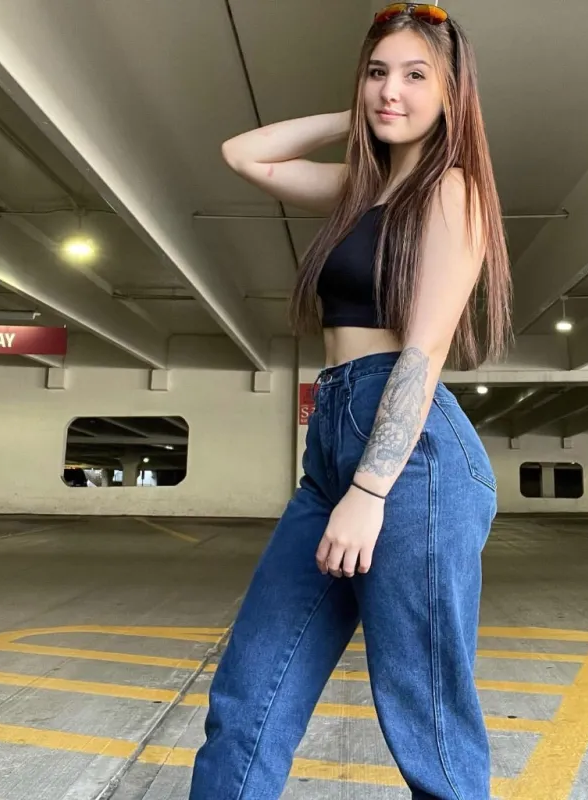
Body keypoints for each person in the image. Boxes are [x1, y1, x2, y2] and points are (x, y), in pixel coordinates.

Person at [189, 3, 511, 799]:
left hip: (409, 456)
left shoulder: (452, 191)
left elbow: (424, 351)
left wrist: (370, 490)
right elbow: (245, 154)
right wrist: (362, 114)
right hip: (332, 440)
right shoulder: (358, 189)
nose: (390, 90)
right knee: (249, 694)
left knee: (427, 723)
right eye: (377, 73)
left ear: (454, 93)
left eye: (416, 76)